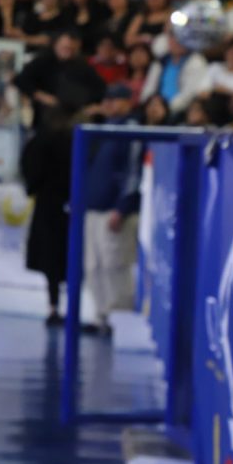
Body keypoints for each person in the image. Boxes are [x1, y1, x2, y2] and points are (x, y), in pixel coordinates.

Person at [81, 84, 141, 336]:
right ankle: (100, 316)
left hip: (115, 210)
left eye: (116, 99)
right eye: (108, 99)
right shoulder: (101, 128)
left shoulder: (132, 129)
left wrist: (123, 207)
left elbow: (134, 171)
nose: (110, 104)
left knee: (114, 264)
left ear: (128, 102)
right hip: (94, 206)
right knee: (93, 265)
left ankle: (120, 320)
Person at [20, 106, 74, 326]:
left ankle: (54, 306)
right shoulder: (71, 140)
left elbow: (29, 170)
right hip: (69, 205)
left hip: (47, 205)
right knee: (68, 259)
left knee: (51, 260)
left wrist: (34, 188)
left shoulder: (39, 141)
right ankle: (70, 307)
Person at [13, 30, 106, 129]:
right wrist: (42, 96)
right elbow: (21, 80)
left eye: (72, 49)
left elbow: (99, 88)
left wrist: (93, 107)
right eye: (65, 48)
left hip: (76, 112)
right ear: (56, 45)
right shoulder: (43, 61)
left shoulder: (82, 65)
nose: (68, 52)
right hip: (48, 113)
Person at [139, 31, 208, 116]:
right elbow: (148, 89)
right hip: (155, 109)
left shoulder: (196, 62)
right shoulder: (160, 62)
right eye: (173, 38)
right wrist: (148, 105)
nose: (176, 42)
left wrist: (166, 108)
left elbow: (189, 94)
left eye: (180, 39)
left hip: (180, 112)